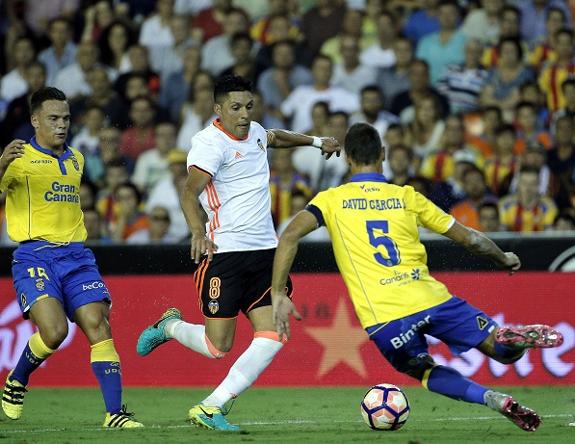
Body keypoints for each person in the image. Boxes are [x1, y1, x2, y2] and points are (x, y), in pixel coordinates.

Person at [270, 122, 564, 433]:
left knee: (425, 371)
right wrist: (503, 257)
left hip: (385, 319)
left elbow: (288, 236)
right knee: (503, 353)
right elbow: (470, 240)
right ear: (383, 153)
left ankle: (492, 399)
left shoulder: (330, 200)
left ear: (348, 159)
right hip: (432, 299)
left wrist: (278, 294)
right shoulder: (408, 197)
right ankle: (507, 335)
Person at [136, 75, 340, 432]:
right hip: (224, 253)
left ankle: (211, 406)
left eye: (248, 106)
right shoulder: (208, 144)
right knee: (219, 347)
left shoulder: (257, 132)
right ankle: (169, 326)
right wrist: (198, 231)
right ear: (218, 109)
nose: (244, 115)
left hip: (265, 252)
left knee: (274, 334)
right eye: (235, 107)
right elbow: (189, 193)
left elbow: (274, 137)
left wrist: (316, 141)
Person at [0, 87, 143, 428]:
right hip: (35, 255)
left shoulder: (76, 159)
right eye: (53, 118)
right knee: (54, 332)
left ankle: (115, 413)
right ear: (35, 120)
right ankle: (17, 380)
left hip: (77, 256)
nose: (61, 125)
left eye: (65, 118)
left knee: (99, 325)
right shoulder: (17, 159)